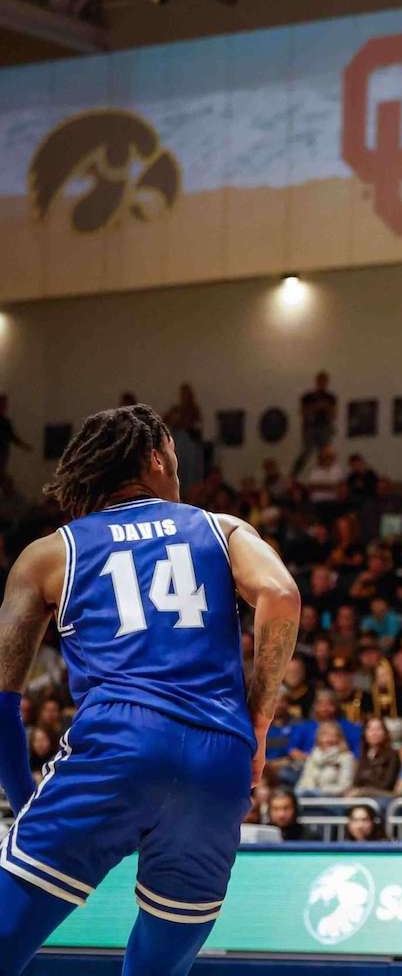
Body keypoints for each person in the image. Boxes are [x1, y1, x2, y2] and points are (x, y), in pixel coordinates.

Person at [0, 405, 301, 973]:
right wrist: (257, 722)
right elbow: (282, 596)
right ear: (156, 460)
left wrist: (25, 808)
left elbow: (0, 700)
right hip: (219, 756)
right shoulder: (224, 529)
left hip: (117, 743)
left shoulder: (50, 554)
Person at [295, 721, 356, 797]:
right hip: (308, 799)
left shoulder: (346, 757)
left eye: (332, 735)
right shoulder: (312, 756)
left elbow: (345, 787)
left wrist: (320, 791)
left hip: (332, 801)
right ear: (318, 737)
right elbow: (303, 781)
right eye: (324, 735)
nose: (328, 739)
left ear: (339, 738)